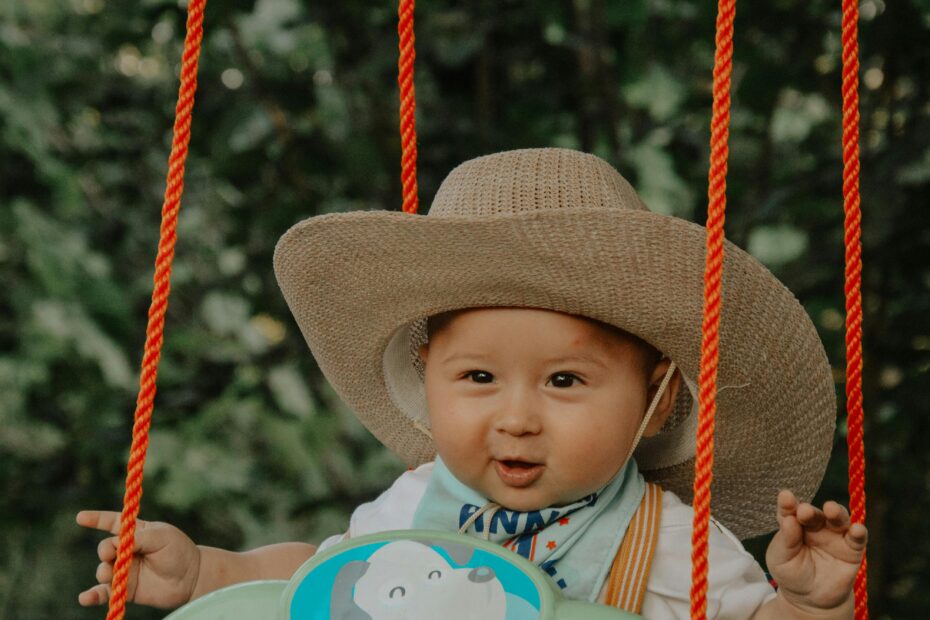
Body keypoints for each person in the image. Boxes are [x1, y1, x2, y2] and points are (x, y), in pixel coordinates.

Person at [77, 148, 867, 618]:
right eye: (479, 377)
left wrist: (807, 602)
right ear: (428, 379)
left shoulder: (671, 540)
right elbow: (322, 572)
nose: (515, 418)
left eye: (564, 380)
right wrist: (206, 571)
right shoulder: (415, 502)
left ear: (658, 397)